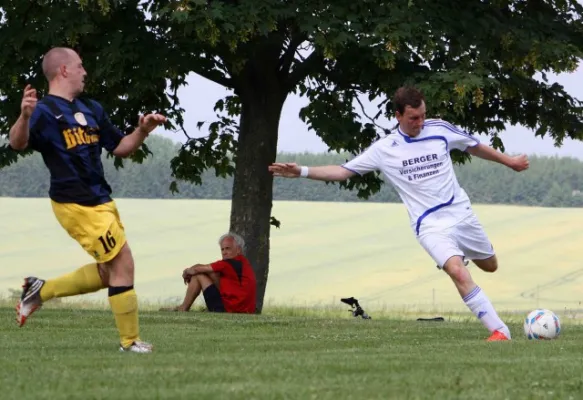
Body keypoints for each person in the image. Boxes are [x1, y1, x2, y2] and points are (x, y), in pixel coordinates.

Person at [269, 86, 530, 341]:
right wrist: (301, 171)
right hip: (429, 225)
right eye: (413, 118)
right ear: (398, 116)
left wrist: (510, 161)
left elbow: (473, 146)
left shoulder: (439, 130)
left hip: (461, 213)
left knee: (491, 266)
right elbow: (342, 171)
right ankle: (499, 331)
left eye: (423, 116)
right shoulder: (385, 149)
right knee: (457, 272)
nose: (420, 123)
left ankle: (464, 255)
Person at [9, 47, 167, 353]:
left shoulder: (92, 108)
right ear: (63, 71)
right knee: (124, 262)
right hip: (74, 203)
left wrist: (143, 130)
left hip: (101, 200)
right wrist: (24, 115)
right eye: (80, 66)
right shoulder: (42, 111)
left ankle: (41, 290)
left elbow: (120, 147)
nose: (85, 72)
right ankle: (129, 342)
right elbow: (18, 142)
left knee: (110, 272)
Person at [160, 233, 257, 314]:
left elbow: (199, 269)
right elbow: (207, 271)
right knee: (211, 273)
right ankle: (183, 307)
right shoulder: (243, 263)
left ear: (238, 249)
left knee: (198, 275)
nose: (224, 252)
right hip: (243, 310)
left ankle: (183, 308)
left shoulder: (228, 264)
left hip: (229, 310)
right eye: (222, 249)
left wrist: (186, 272)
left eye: (228, 248)